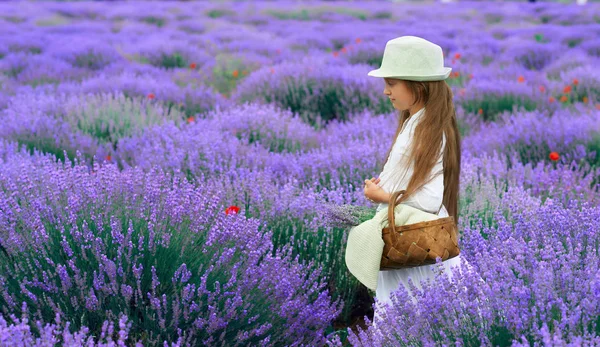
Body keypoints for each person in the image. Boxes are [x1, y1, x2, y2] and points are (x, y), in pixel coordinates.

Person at [363, 36, 476, 327]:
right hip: (408, 241)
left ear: (418, 86)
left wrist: (383, 196)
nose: (386, 91)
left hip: (416, 244)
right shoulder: (416, 123)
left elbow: (427, 200)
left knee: (419, 324)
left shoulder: (427, 132)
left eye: (392, 83)